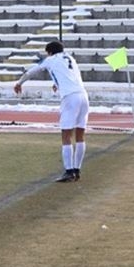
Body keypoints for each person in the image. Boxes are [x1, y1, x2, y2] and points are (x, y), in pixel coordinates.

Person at [14, 40, 89, 182]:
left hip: (70, 97)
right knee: (80, 134)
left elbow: (32, 71)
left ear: (50, 52)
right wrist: (57, 83)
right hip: (84, 96)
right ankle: (77, 170)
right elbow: (69, 74)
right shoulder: (70, 58)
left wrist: (19, 83)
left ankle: (69, 171)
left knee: (66, 134)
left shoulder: (51, 60)